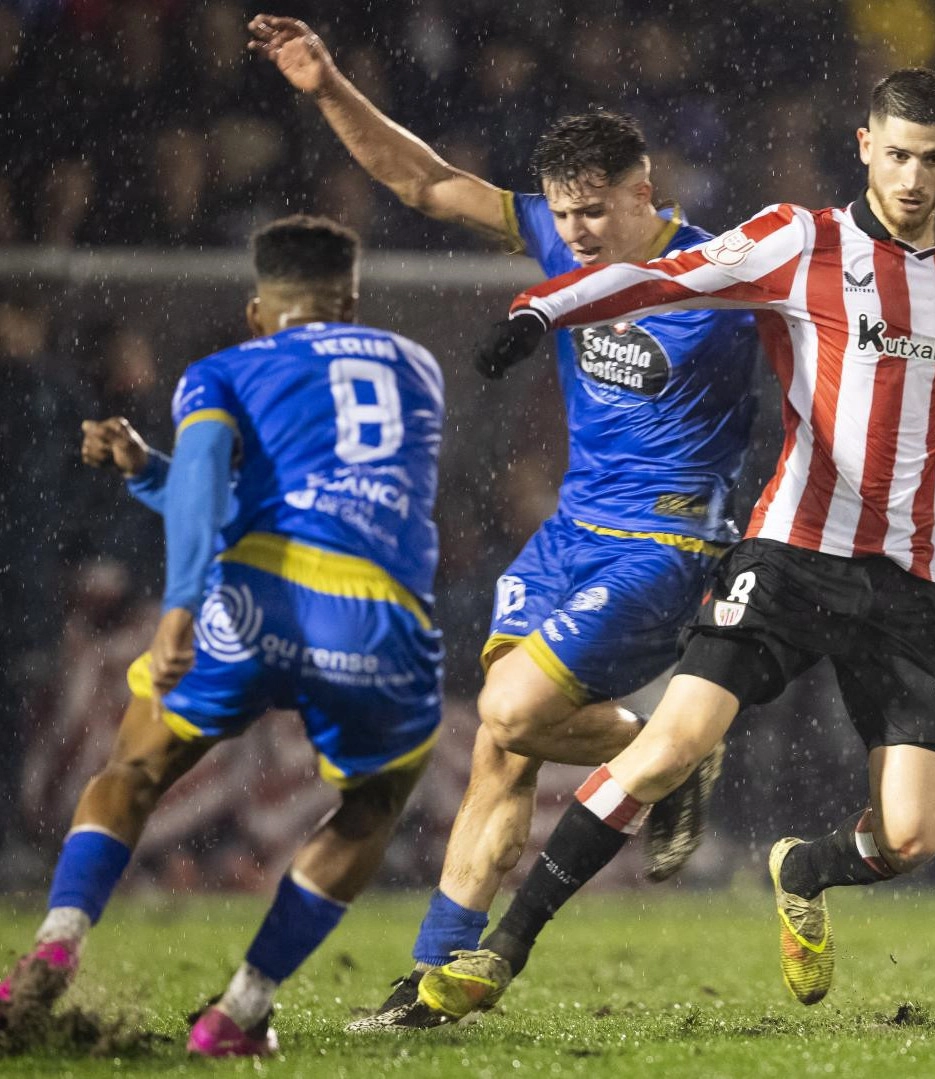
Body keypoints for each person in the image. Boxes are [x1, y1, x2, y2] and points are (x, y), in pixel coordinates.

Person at [412, 68, 935, 1021]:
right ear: (865, 147)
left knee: (911, 839)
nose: (912, 177)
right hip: (791, 554)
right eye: (896, 155)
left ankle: (804, 870)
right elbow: (663, 276)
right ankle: (500, 954)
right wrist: (543, 309)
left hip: (912, 584)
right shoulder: (800, 240)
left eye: (932, 159)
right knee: (668, 747)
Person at [247, 15, 758, 1027]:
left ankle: (668, 750)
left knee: (511, 710)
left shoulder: (732, 272)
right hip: (571, 532)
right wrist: (328, 85)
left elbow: (834, 345)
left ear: (645, 191)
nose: (577, 233)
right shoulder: (558, 237)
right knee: (502, 745)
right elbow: (425, 182)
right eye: (563, 214)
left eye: (595, 211)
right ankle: (435, 979)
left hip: (666, 541)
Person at [0, 216, 446, 1057]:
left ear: (256, 313)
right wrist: (147, 470)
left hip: (249, 600)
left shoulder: (226, 368)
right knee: (374, 802)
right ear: (351, 304)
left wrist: (178, 605)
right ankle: (240, 1009)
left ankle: (56, 943)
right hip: (374, 613)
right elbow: (320, 497)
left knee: (134, 768)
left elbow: (209, 484)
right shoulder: (417, 367)